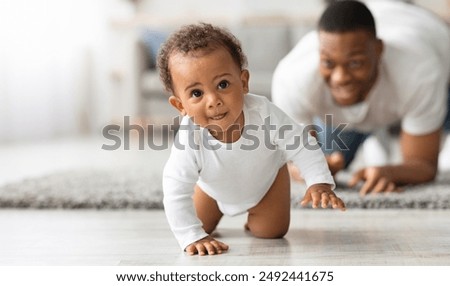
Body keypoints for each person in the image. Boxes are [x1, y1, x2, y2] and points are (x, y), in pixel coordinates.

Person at [157, 23, 346, 256]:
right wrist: (191, 236)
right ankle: (208, 219)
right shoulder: (189, 138)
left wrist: (319, 182)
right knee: (199, 228)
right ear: (180, 105)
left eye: (223, 85)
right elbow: (175, 189)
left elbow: (302, 144)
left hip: (265, 185)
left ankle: (256, 215)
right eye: (196, 93)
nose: (213, 100)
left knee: (272, 231)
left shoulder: (264, 113)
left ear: (244, 82)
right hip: (212, 190)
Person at [272, 0, 450, 196]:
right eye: (329, 63)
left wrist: (391, 172)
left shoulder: (419, 71)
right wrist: (308, 170)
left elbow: (423, 164)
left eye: (355, 63)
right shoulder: (291, 78)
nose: (340, 78)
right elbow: (290, 163)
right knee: (329, 164)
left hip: (433, 60)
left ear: (379, 50)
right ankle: (374, 138)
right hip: (346, 118)